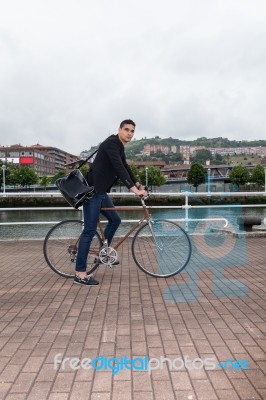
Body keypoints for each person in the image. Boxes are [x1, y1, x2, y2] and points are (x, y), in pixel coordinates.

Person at [74, 119, 148, 286]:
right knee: (89, 231)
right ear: (119, 130)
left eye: (132, 131)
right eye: (127, 129)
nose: (129, 133)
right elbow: (118, 167)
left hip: (101, 192)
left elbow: (125, 167)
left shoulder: (119, 146)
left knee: (115, 220)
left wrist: (137, 184)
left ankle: (101, 253)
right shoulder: (111, 143)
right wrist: (134, 190)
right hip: (93, 192)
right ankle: (80, 274)